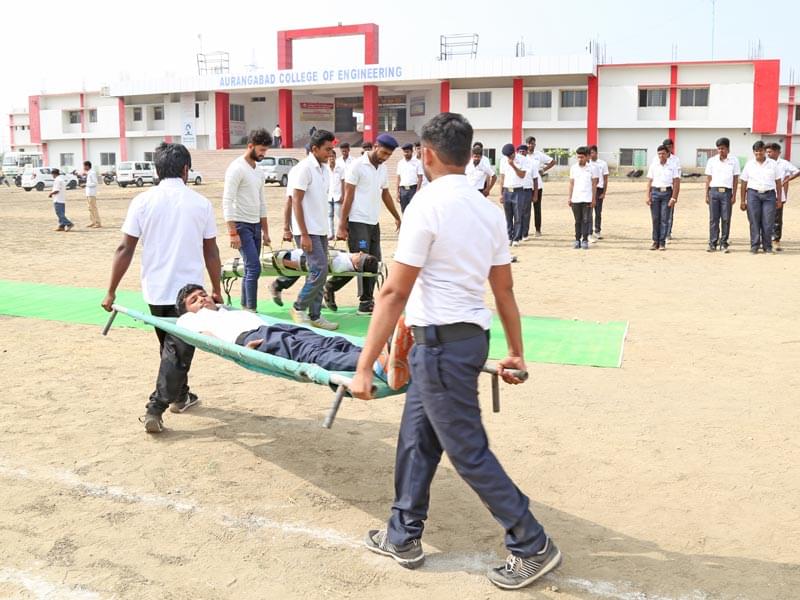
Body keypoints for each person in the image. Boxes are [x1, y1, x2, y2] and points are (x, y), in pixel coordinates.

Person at [349, 112, 560, 591]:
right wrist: (517, 353)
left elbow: (393, 293)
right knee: (416, 440)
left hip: (442, 347)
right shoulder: (487, 208)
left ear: (426, 154)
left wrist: (365, 367)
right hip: (462, 340)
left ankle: (532, 542)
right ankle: (402, 534)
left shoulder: (427, 204)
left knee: (467, 450)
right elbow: (504, 291)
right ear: (468, 154)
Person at [101, 142, 222, 433]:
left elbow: (124, 249)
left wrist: (111, 290)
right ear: (185, 169)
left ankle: (181, 395)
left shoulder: (142, 201)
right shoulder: (200, 203)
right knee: (176, 351)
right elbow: (211, 251)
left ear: (156, 170)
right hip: (190, 295)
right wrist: (216, 288)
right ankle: (155, 408)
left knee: (172, 349)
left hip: (155, 290)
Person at [173, 284, 411, 389]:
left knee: (331, 342)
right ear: (187, 309)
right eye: (194, 300)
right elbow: (207, 339)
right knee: (312, 355)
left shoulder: (224, 308)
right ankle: (377, 365)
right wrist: (243, 351)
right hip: (251, 339)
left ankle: (383, 354)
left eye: (203, 295)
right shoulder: (189, 320)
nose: (202, 300)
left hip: (273, 328)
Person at [327, 134, 402, 315]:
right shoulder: (357, 166)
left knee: (374, 263)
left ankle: (333, 287)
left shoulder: (382, 169)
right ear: (375, 146)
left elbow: (385, 194)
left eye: (389, 155)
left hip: (373, 222)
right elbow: (348, 195)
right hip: (356, 221)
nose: (385, 157)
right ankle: (364, 301)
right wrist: (342, 225)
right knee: (361, 262)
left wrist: (397, 216)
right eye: (383, 153)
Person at [287, 129, 337, 330]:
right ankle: (298, 307)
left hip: (320, 229)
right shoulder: (304, 168)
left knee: (321, 272)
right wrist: (304, 234)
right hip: (307, 231)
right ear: (314, 148)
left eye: (331, 149)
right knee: (319, 269)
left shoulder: (324, 169)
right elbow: (295, 201)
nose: (330, 153)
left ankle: (315, 315)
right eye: (327, 149)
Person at [222, 128, 272, 311]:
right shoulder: (236, 168)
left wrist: (266, 231)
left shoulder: (259, 171)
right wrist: (232, 232)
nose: (263, 154)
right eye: (261, 150)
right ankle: (251, 310)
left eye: (265, 151)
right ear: (250, 146)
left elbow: (262, 203)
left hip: (256, 225)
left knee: (250, 268)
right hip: (241, 225)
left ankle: (245, 307)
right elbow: (227, 201)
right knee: (254, 267)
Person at [270, 146, 310, 306]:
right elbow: (289, 200)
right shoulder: (298, 171)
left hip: (318, 227)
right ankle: (280, 284)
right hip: (303, 227)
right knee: (307, 263)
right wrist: (286, 228)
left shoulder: (323, 171)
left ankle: (311, 299)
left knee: (313, 264)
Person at [739, 140, 782, 254]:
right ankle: (754, 246)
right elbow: (743, 183)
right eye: (756, 151)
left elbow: (778, 182)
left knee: (768, 222)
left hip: (769, 196)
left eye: (761, 151)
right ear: (754, 152)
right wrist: (743, 200)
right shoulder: (749, 164)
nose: (759, 153)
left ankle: (767, 247)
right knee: (754, 221)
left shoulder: (773, 164)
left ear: (764, 151)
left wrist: (779, 199)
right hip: (753, 195)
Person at [703, 137, 739, 253]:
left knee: (726, 218)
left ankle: (724, 243)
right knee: (713, 219)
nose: (720, 151)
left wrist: (734, 195)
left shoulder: (734, 161)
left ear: (728, 148)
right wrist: (706, 194)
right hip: (713, 191)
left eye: (722, 148)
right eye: (718, 149)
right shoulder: (712, 161)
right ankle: (712, 243)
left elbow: (735, 178)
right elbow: (708, 178)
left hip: (727, 193)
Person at [765, 142, 800, 251]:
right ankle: (765, 239)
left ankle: (776, 240)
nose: (768, 154)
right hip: (765, 193)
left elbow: (797, 171)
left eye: (770, 152)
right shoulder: (765, 163)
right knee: (765, 217)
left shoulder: (784, 163)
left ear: (777, 152)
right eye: (767, 152)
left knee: (777, 218)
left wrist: (787, 180)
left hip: (779, 195)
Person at [646, 145, 679, 251]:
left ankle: (662, 242)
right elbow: (649, 182)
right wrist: (647, 195)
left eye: (663, 153)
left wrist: (673, 198)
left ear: (667, 154)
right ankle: (655, 241)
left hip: (667, 193)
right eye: (659, 153)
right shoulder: (653, 165)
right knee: (655, 219)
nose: (661, 155)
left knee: (664, 219)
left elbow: (676, 182)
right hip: (655, 193)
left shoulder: (672, 166)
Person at [497, 143, 527, 246]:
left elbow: (522, 175)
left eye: (511, 155)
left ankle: (516, 238)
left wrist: (513, 165)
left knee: (518, 216)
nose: (509, 158)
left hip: (518, 190)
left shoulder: (522, 159)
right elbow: (502, 177)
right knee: (508, 216)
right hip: (507, 191)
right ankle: (509, 237)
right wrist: (501, 193)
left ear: (514, 152)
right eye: (507, 156)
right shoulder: (502, 160)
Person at [568, 146, 597, 250]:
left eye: (582, 157)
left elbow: (594, 185)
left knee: (586, 220)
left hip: (587, 198)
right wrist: (569, 197)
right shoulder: (573, 168)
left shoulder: (593, 168)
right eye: (578, 157)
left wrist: (594, 199)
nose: (580, 159)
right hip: (576, 198)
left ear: (587, 157)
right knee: (577, 220)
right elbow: (571, 184)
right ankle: (577, 239)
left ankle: (585, 240)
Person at [526, 136, 556, 236]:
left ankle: (538, 230)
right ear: (526, 144)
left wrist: (543, 170)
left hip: (537, 186)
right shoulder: (522, 154)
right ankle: (524, 230)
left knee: (537, 209)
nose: (531, 145)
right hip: (525, 185)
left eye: (533, 143)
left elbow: (552, 161)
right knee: (525, 209)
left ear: (535, 144)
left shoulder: (538, 155)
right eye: (529, 143)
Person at [277, 248, 379, 274]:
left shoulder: (340, 264)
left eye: (360, 255)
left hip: (291, 258)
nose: (360, 252)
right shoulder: (348, 260)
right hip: (298, 253)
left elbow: (310, 265)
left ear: (357, 265)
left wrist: (282, 262)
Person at [516, 144, 539, 241]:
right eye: (520, 151)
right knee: (517, 213)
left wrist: (535, 194)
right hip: (517, 189)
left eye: (523, 151)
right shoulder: (515, 163)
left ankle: (525, 234)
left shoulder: (532, 163)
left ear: (527, 152)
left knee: (526, 213)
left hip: (527, 190)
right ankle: (518, 233)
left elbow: (535, 180)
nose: (522, 153)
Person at [662, 138, 681, 241]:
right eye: (667, 147)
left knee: (669, 212)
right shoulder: (657, 159)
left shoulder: (675, 160)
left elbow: (677, 177)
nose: (669, 149)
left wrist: (675, 194)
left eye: (670, 146)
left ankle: (668, 233)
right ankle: (660, 232)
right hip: (659, 188)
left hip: (670, 188)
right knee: (659, 213)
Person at [588, 145, 609, 239]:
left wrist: (604, 192)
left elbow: (605, 179)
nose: (591, 154)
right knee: (589, 212)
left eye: (592, 152)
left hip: (599, 189)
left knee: (598, 211)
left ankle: (597, 230)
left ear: (596, 153)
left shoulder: (603, 164)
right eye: (589, 153)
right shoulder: (588, 164)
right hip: (590, 189)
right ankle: (589, 231)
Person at [396, 142, 423, 212]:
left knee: (414, 210)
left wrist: (417, 191)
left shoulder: (417, 162)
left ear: (412, 151)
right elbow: (398, 178)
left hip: (413, 189)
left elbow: (420, 177)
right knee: (404, 210)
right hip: (403, 190)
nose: (405, 154)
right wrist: (397, 192)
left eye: (407, 152)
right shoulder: (400, 163)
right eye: (404, 152)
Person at [327, 150, 346, 239]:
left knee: (339, 215)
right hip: (328, 196)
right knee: (329, 215)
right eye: (329, 157)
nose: (331, 158)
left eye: (332, 157)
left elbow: (343, 182)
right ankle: (331, 234)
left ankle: (339, 233)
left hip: (338, 195)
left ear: (335, 157)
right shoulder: (325, 169)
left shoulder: (340, 168)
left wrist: (343, 195)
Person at [81, 161, 101, 228]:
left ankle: (98, 223)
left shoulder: (92, 173)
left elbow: (95, 183)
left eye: (84, 166)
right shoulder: (89, 173)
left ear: (87, 166)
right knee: (90, 208)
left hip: (92, 193)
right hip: (89, 193)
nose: (83, 167)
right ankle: (93, 222)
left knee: (93, 208)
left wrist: (86, 184)